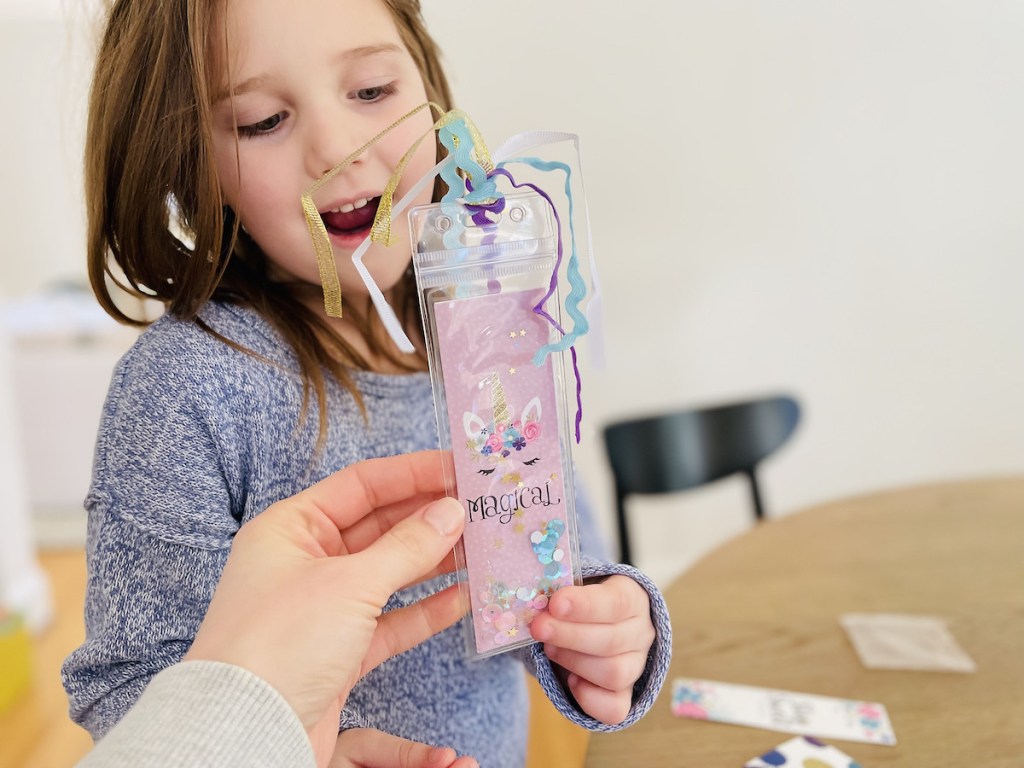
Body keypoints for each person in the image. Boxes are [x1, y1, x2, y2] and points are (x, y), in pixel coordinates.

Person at [62, 0, 672, 765]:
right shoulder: (186, 389)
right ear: (193, 160)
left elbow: (562, 568)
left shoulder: (491, 331)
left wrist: (606, 629)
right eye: (261, 121)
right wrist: (315, 750)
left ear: (430, 91)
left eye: (373, 92)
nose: (339, 148)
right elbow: (126, 688)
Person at [77, 452, 478, 768]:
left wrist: (539, 638)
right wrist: (284, 747)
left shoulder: (466, 361)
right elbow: (123, 673)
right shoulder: (176, 383)